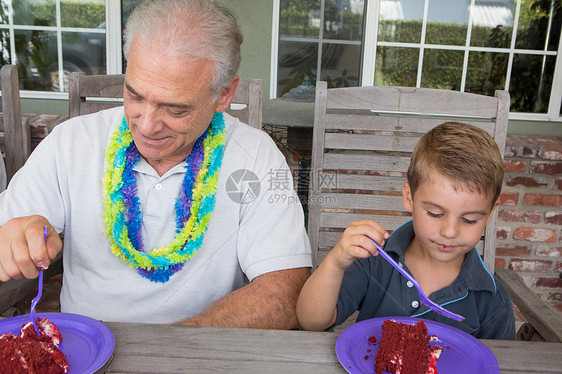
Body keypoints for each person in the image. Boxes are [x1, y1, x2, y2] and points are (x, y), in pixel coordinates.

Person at [0, 0, 311, 327]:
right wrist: (13, 240)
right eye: (134, 96)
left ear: (223, 94)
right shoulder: (70, 143)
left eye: (175, 109)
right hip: (83, 350)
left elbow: (285, 292)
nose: (146, 126)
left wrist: (168, 350)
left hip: (199, 352)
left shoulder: (256, 156)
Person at [296, 122, 515, 340]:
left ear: (490, 214)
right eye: (435, 214)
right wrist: (335, 262)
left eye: (469, 220)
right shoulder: (376, 258)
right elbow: (312, 322)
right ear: (409, 197)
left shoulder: (492, 300)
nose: (449, 232)